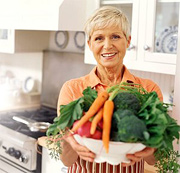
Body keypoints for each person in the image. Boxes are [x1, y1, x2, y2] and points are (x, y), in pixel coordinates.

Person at [57, 6, 163, 173]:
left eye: (115, 36)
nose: (107, 45)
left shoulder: (148, 90)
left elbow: (155, 160)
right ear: (90, 44)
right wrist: (70, 141)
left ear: (128, 41)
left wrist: (152, 147)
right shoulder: (72, 89)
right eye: (99, 38)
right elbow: (66, 160)